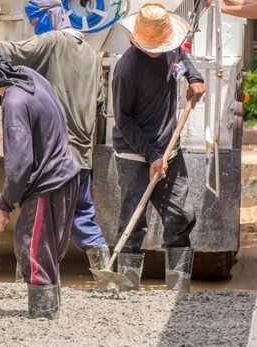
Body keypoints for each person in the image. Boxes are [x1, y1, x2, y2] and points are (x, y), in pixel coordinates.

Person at [0, 1, 112, 283]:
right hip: (81, 153)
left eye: (34, 23)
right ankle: (105, 279)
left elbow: (10, 53)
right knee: (81, 216)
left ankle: (28, 291)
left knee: (35, 228)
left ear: (48, 18)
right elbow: (99, 103)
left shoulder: (54, 40)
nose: (35, 30)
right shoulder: (91, 56)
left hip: (54, 154)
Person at [0, 42, 80, 318]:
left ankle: (42, 320)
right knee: (47, 254)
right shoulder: (28, 75)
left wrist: (3, 204)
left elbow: (20, 165)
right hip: (66, 175)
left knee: (34, 254)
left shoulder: (13, 103)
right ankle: (50, 315)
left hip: (46, 184)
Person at [112, 4, 206, 292]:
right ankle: (127, 289)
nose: (160, 49)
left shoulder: (171, 49)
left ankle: (177, 291)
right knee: (134, 221)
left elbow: (183, 59)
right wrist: (151, 155)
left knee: (181, 215)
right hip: (134, 152)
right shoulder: (126, 69)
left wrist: (195, 77)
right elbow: (123, 121)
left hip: (169, 149)